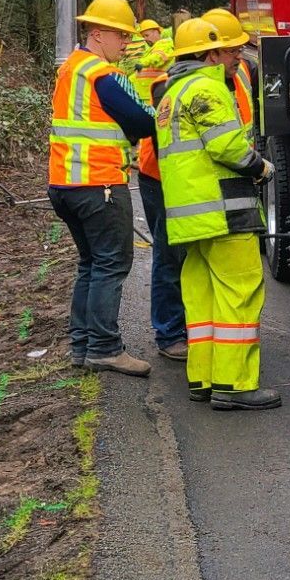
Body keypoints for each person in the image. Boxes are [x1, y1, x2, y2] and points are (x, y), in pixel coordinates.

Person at [156, 15, 280, 411]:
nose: (236, 59)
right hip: (225, 213)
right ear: (210, 54)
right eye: (231, 51)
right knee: (239, 294)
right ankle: (235, 385)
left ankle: (204, 379)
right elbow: (227, 147)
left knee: (202, 298)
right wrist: (261, 167)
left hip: (190, 220)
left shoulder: (171, 94)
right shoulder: (207, 88)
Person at [47, 0, 156, 376]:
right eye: (121, 36)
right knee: (110, 265)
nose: (126, 43)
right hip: (100, 184)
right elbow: (144, 121)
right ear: (97, 34)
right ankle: (105, 348)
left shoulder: (71, 68)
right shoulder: (103, 75)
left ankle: (82, 346)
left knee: (91, 264)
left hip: (65, 184)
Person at [124, 20, 186, 363]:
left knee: (188, 253)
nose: (238, 56)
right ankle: (170, 332)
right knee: (168, 252)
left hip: (190, 179)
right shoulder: (168, 83)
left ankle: (187, 327)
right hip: (160, 176)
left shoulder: (232, 78)